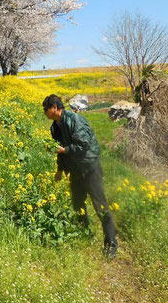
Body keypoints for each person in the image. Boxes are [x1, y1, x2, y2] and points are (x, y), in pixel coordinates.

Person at [43, 94, 118, 258]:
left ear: (55, 108)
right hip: (75, 169)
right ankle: (84, 232)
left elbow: (83, 145)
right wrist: (60, 170)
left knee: (100, 206)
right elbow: (60, 150)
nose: (45, 112)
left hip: (90, 167)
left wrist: (66, 150)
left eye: (46, 109)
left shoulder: (75, 120)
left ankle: (111, 243)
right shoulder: (54, 127)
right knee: (77, 203)